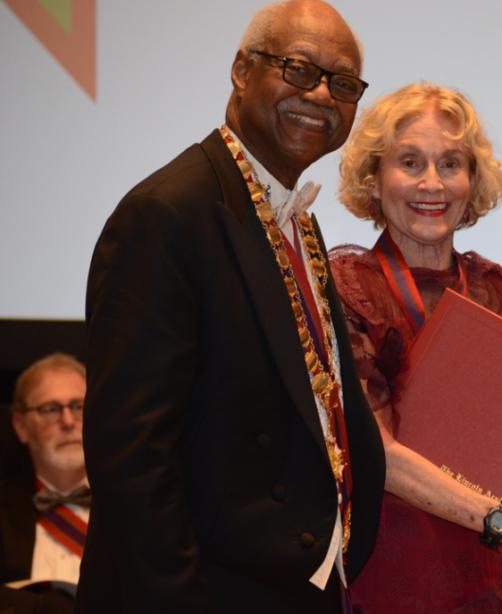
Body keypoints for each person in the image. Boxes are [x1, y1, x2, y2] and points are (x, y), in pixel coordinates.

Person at [78, 2, 385, 612]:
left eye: (343, 83)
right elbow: (132, 461)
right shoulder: (167, 215)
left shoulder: (302, 222)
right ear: (242, 70)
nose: (321, 95)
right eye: (298, 69)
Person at [331, 82, 502, 613]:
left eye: (451, 163)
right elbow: (376, 453)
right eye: (410, 162)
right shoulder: (346, 287)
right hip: (386, 576)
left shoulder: (498, 293)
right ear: (375, 178)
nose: (432, 183)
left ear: (473, 181)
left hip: (486, 577)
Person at [1, 354, 88, 613]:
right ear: (21, 426)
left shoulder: (139, 505)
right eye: (50, 409)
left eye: (79, 406)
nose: (68, 422)